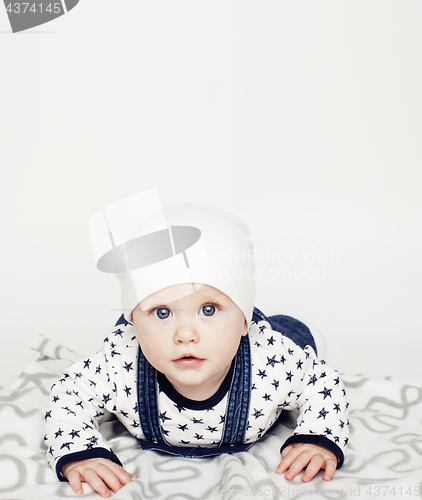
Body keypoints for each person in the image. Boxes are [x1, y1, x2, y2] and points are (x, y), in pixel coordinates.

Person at [44, 192, 349, 498]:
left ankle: (293, 330)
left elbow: (322, 383)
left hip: (265, 341)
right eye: (161, 312)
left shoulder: (273, 361)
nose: (185, 334)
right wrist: (81, 450)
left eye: (208, 309)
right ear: (134, 322)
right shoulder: (119, 361)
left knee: (296, 338)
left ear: (243, 318)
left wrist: (317, 436)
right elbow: (69, 395)